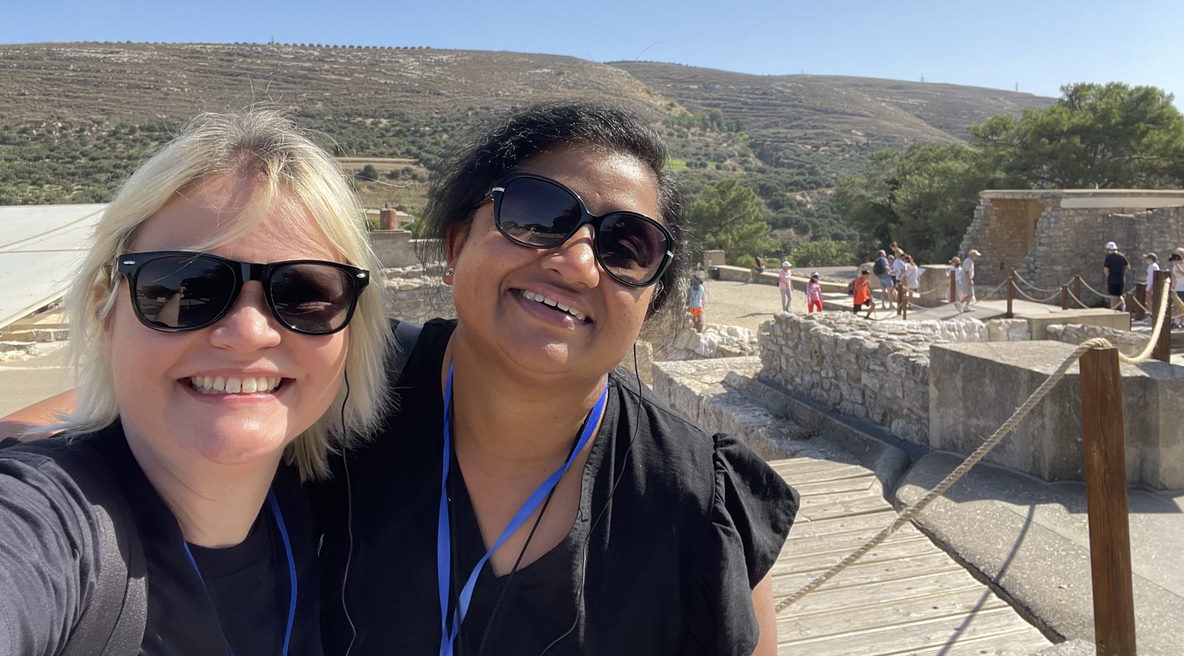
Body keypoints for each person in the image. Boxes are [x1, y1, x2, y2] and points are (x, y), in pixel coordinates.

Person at [313, 101, 798, 656]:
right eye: (536, 215)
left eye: (626, 246)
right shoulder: (333, 403)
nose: (577, 263)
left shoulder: (700, 505)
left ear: (649, 300)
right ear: (455, 245)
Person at [0, 109, 393, 654]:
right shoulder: (44, 525)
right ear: (105, 315)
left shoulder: (322, 519)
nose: (249, 333)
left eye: (304, 293)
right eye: (186, 287)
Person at [1103, 241, 1129, 311]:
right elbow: (1128, 267)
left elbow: (1106, 269)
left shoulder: (1108, 258)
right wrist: (1122, 274)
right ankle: (1123, 306)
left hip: (1112, 280)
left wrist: (1109, 277)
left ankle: (1112, 311)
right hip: (1121, 280)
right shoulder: (1122, 256)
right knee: (1119, 295)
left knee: (1113, 297)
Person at [1171, 249, 1184, 327]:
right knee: (1179, 305)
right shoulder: (1174, 265)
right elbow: (1174, 276)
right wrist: (1172, 286)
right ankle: (1180, 322)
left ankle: (1177, 322)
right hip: (1178, 288)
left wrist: (1178, 266)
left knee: (1181, 305)